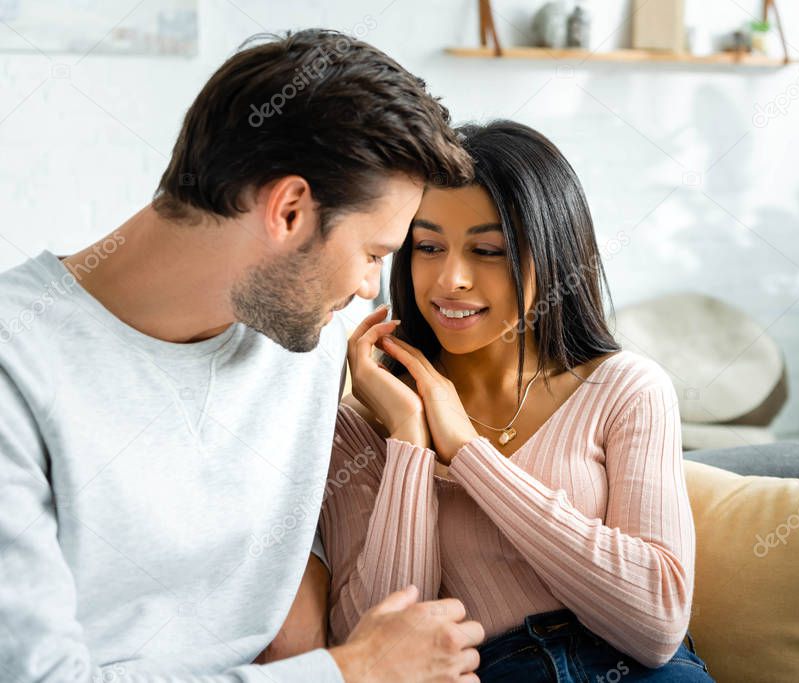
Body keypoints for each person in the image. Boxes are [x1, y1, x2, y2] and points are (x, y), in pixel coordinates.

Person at [0, 30, 485, 683]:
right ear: (288, 210)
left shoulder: (297, 335)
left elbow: (278, 591)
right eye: (373, 253)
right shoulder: (18, 363)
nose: (369, 286)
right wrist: (351, 672)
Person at [266, 121, 714, 681]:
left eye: (488, 250)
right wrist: (411, 438)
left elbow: (656, 623)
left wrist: (469, 452)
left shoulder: (625, 389)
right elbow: (373, 647)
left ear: (553, 256)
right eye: (427, 247)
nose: (450, 278)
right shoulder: (362, 425)